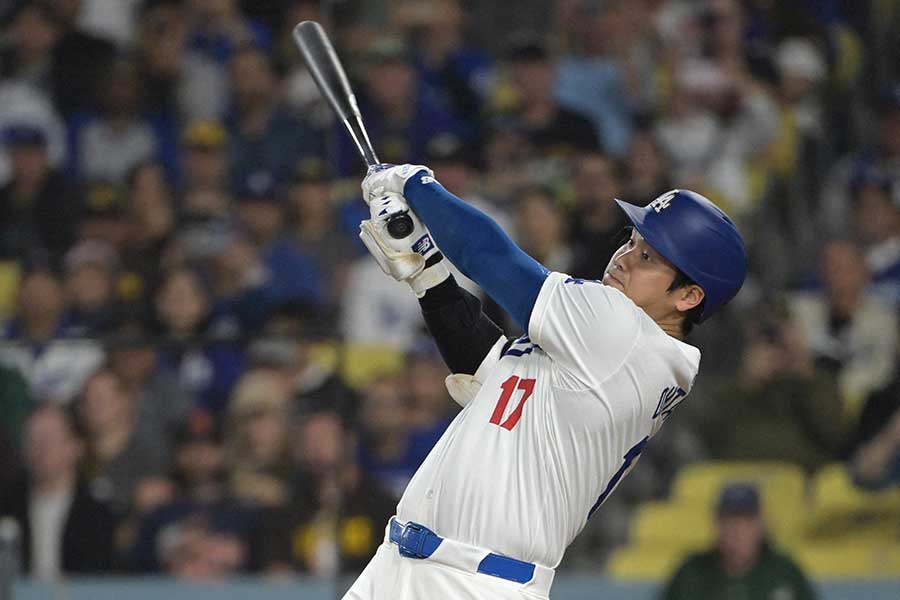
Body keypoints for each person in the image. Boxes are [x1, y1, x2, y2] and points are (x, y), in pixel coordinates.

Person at [343, 163, 747, 599]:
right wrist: (428, 271)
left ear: (688, 296)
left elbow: (489, 255)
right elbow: (488, 368)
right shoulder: (610, 352)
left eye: (647, 257)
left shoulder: (625, 333)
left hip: (474, 583)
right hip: (405, 565)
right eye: (631, 242)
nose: (624, 258)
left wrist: (415, 184)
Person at [0, 404, 115, 580]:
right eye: (33, 440)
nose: (41, 450)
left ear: (75, 447)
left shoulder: (96, 511)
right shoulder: (7, 505)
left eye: (49, 441)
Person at [662, 483, 817, 600]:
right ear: (716, 524)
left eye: (746, 522)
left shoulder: (785, 571)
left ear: (760, 525)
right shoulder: (691, 572)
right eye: (729, 522)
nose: (737, 532)